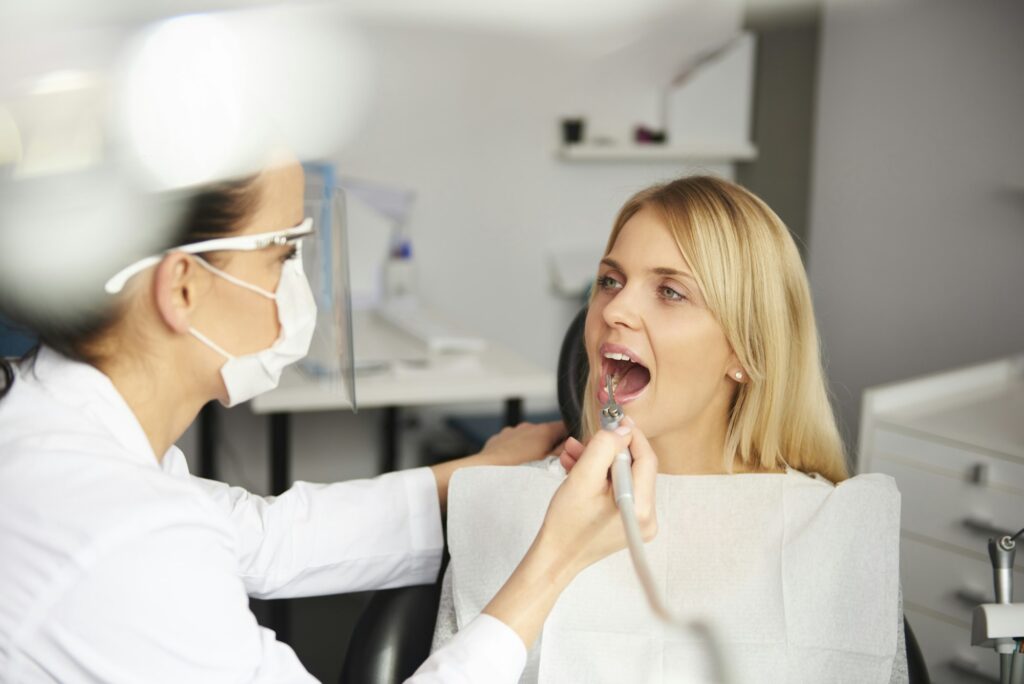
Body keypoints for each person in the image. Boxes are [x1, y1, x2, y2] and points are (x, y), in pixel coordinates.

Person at [0, 158, 659, 683]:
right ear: (182, 288)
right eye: (281, 256)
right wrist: (555, 562)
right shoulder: (111, 532)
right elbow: (166, 541)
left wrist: (468, 477)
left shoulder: (73, 439)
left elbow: (264, 536)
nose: (299, 287)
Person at [432, 175, 907, 682]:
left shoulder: (831, 532)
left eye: (671, 292)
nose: (614, 310)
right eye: (610, 281)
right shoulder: (506, 504)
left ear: (746, 351)